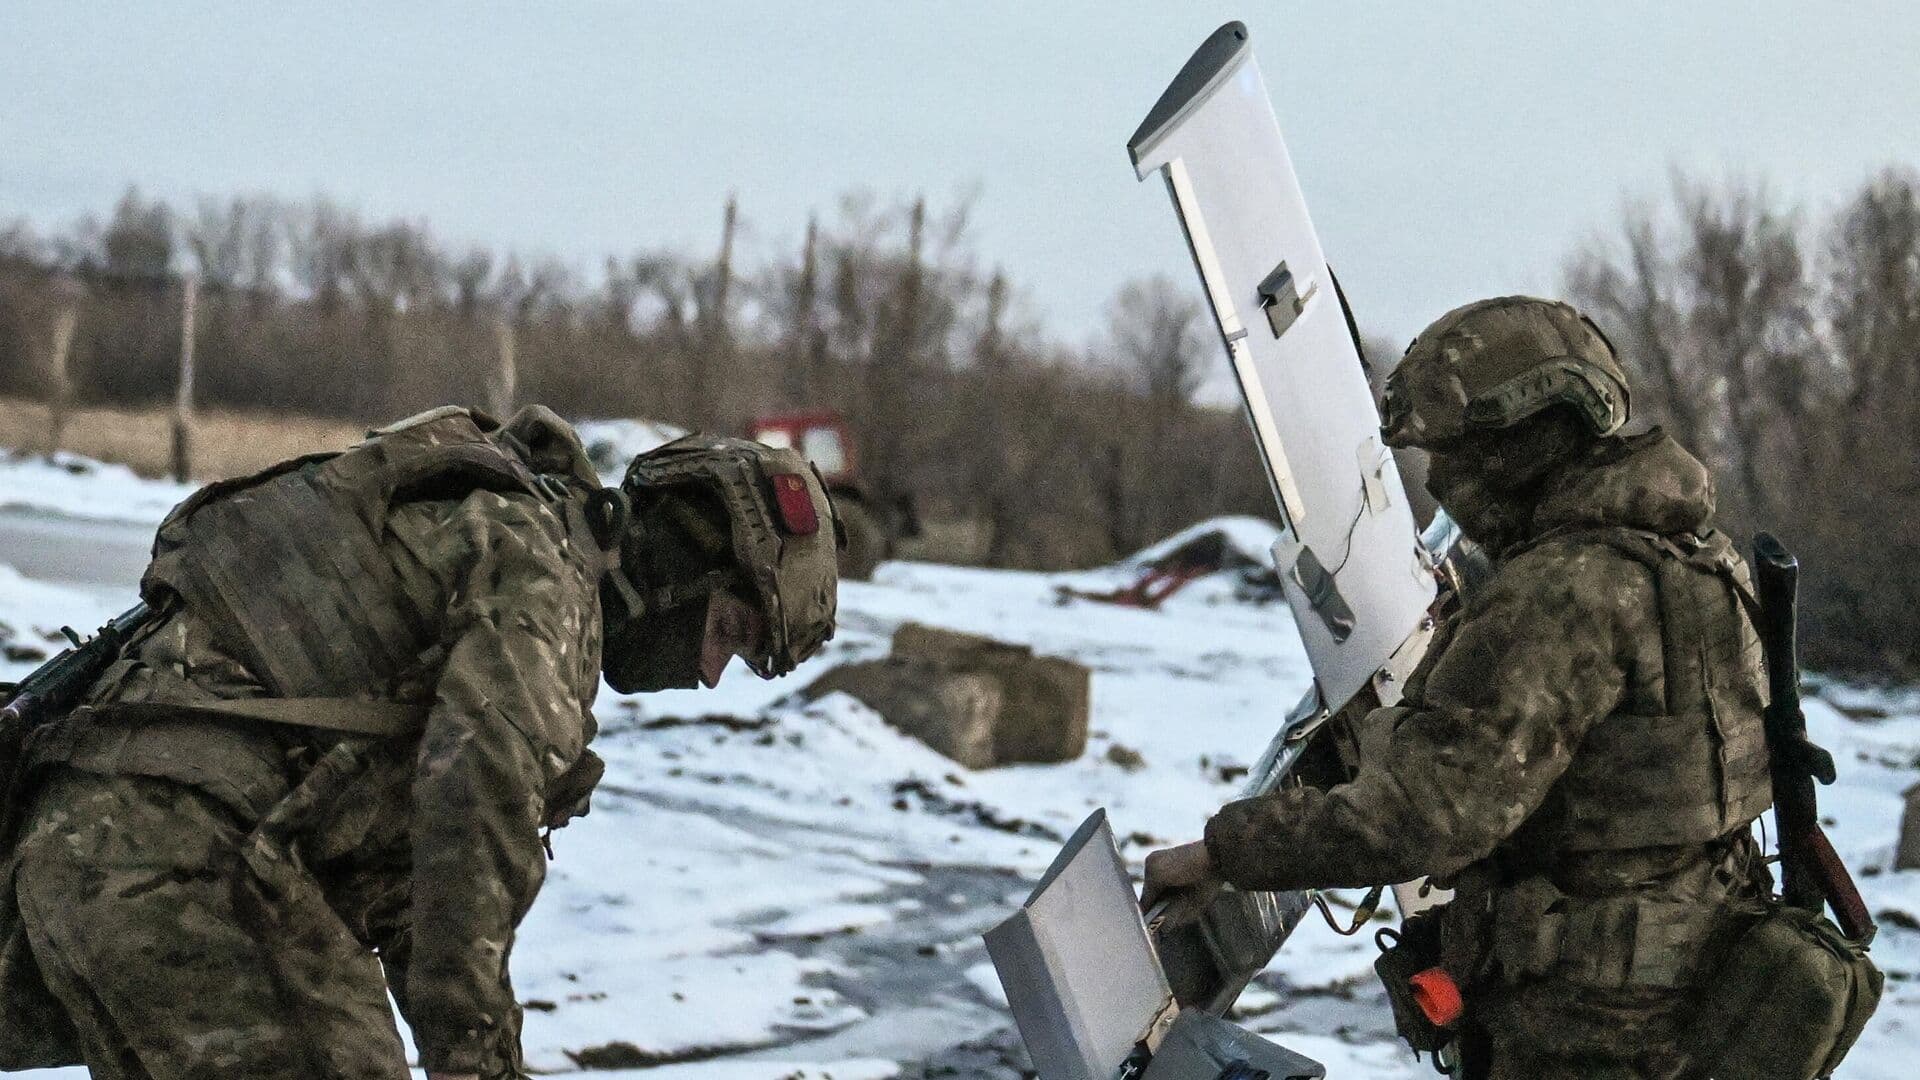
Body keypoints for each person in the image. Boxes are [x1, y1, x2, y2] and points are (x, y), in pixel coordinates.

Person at [0, 404, 840, 1080]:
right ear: (691, 552)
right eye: (728, 631)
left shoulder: (499, 520)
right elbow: (473, 828)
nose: (709, 672)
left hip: (89, 846)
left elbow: (407, 896)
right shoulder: (544, 584)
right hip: (183, 855)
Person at [1143, 297, 1774, 1080]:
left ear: (1517, 448)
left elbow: (1425, 818)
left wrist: (1223, 852)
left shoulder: (1562, 593)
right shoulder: (1695, 556)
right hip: (1701, 993)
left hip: (1593, 1028)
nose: (1442, 482)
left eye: (1458, 457)